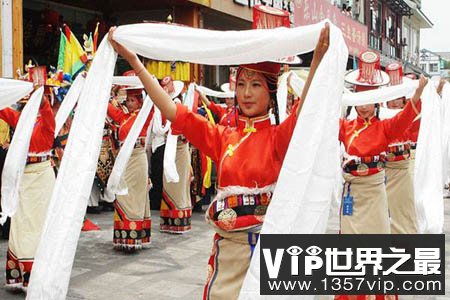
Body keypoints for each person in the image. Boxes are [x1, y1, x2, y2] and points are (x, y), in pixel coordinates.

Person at [108, 22, 330, 299]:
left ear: (270, 94)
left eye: (256, 85)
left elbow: (305, 110)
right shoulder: (223, 136)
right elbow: (170, 109)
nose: (246, 93)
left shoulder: (279, 137)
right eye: (241, 85)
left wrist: (318, 58)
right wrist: (133, 61)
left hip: (267, 256)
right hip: (227, 253)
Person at [339, 51, 425, 236]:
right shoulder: (345, 127)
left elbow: (404, 118)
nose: (363, 107)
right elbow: (323, 121)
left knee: (378, 233)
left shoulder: (385, 127)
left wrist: (417, 95)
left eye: (368, 101)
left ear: (377, 102)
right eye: (360, 101)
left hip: (376, 188)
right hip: (352, 189)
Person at [1, 87, 56, 291]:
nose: (26, 107)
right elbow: (5, 111)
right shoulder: (24, 123)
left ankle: (36, 274)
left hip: (41, 177)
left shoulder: (46, 123)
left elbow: (48, 112)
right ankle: (20, 274)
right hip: (24, 177)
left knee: (37, 224)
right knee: (21, 223)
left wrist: (42, 99)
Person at [107, 85, 153, 252]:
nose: (129, 102)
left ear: (141, 102)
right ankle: (125, 236)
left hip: (137, 157)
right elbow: (108, 108)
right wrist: (107, 89)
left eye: (133, 100)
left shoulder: (145, 116)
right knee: (122, 195)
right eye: (128, 100)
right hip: (125, 160)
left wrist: (152, 85)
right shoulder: (123, 117)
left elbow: (154, 102)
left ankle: (134, 235)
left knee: (133, 196)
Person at [383, 63, 418, 234]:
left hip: (402, 168)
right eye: (391, 97)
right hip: (379, 171)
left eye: (398, 97)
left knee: (404, 209)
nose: (395, 102)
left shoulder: (410, 112)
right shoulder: (377, 112)